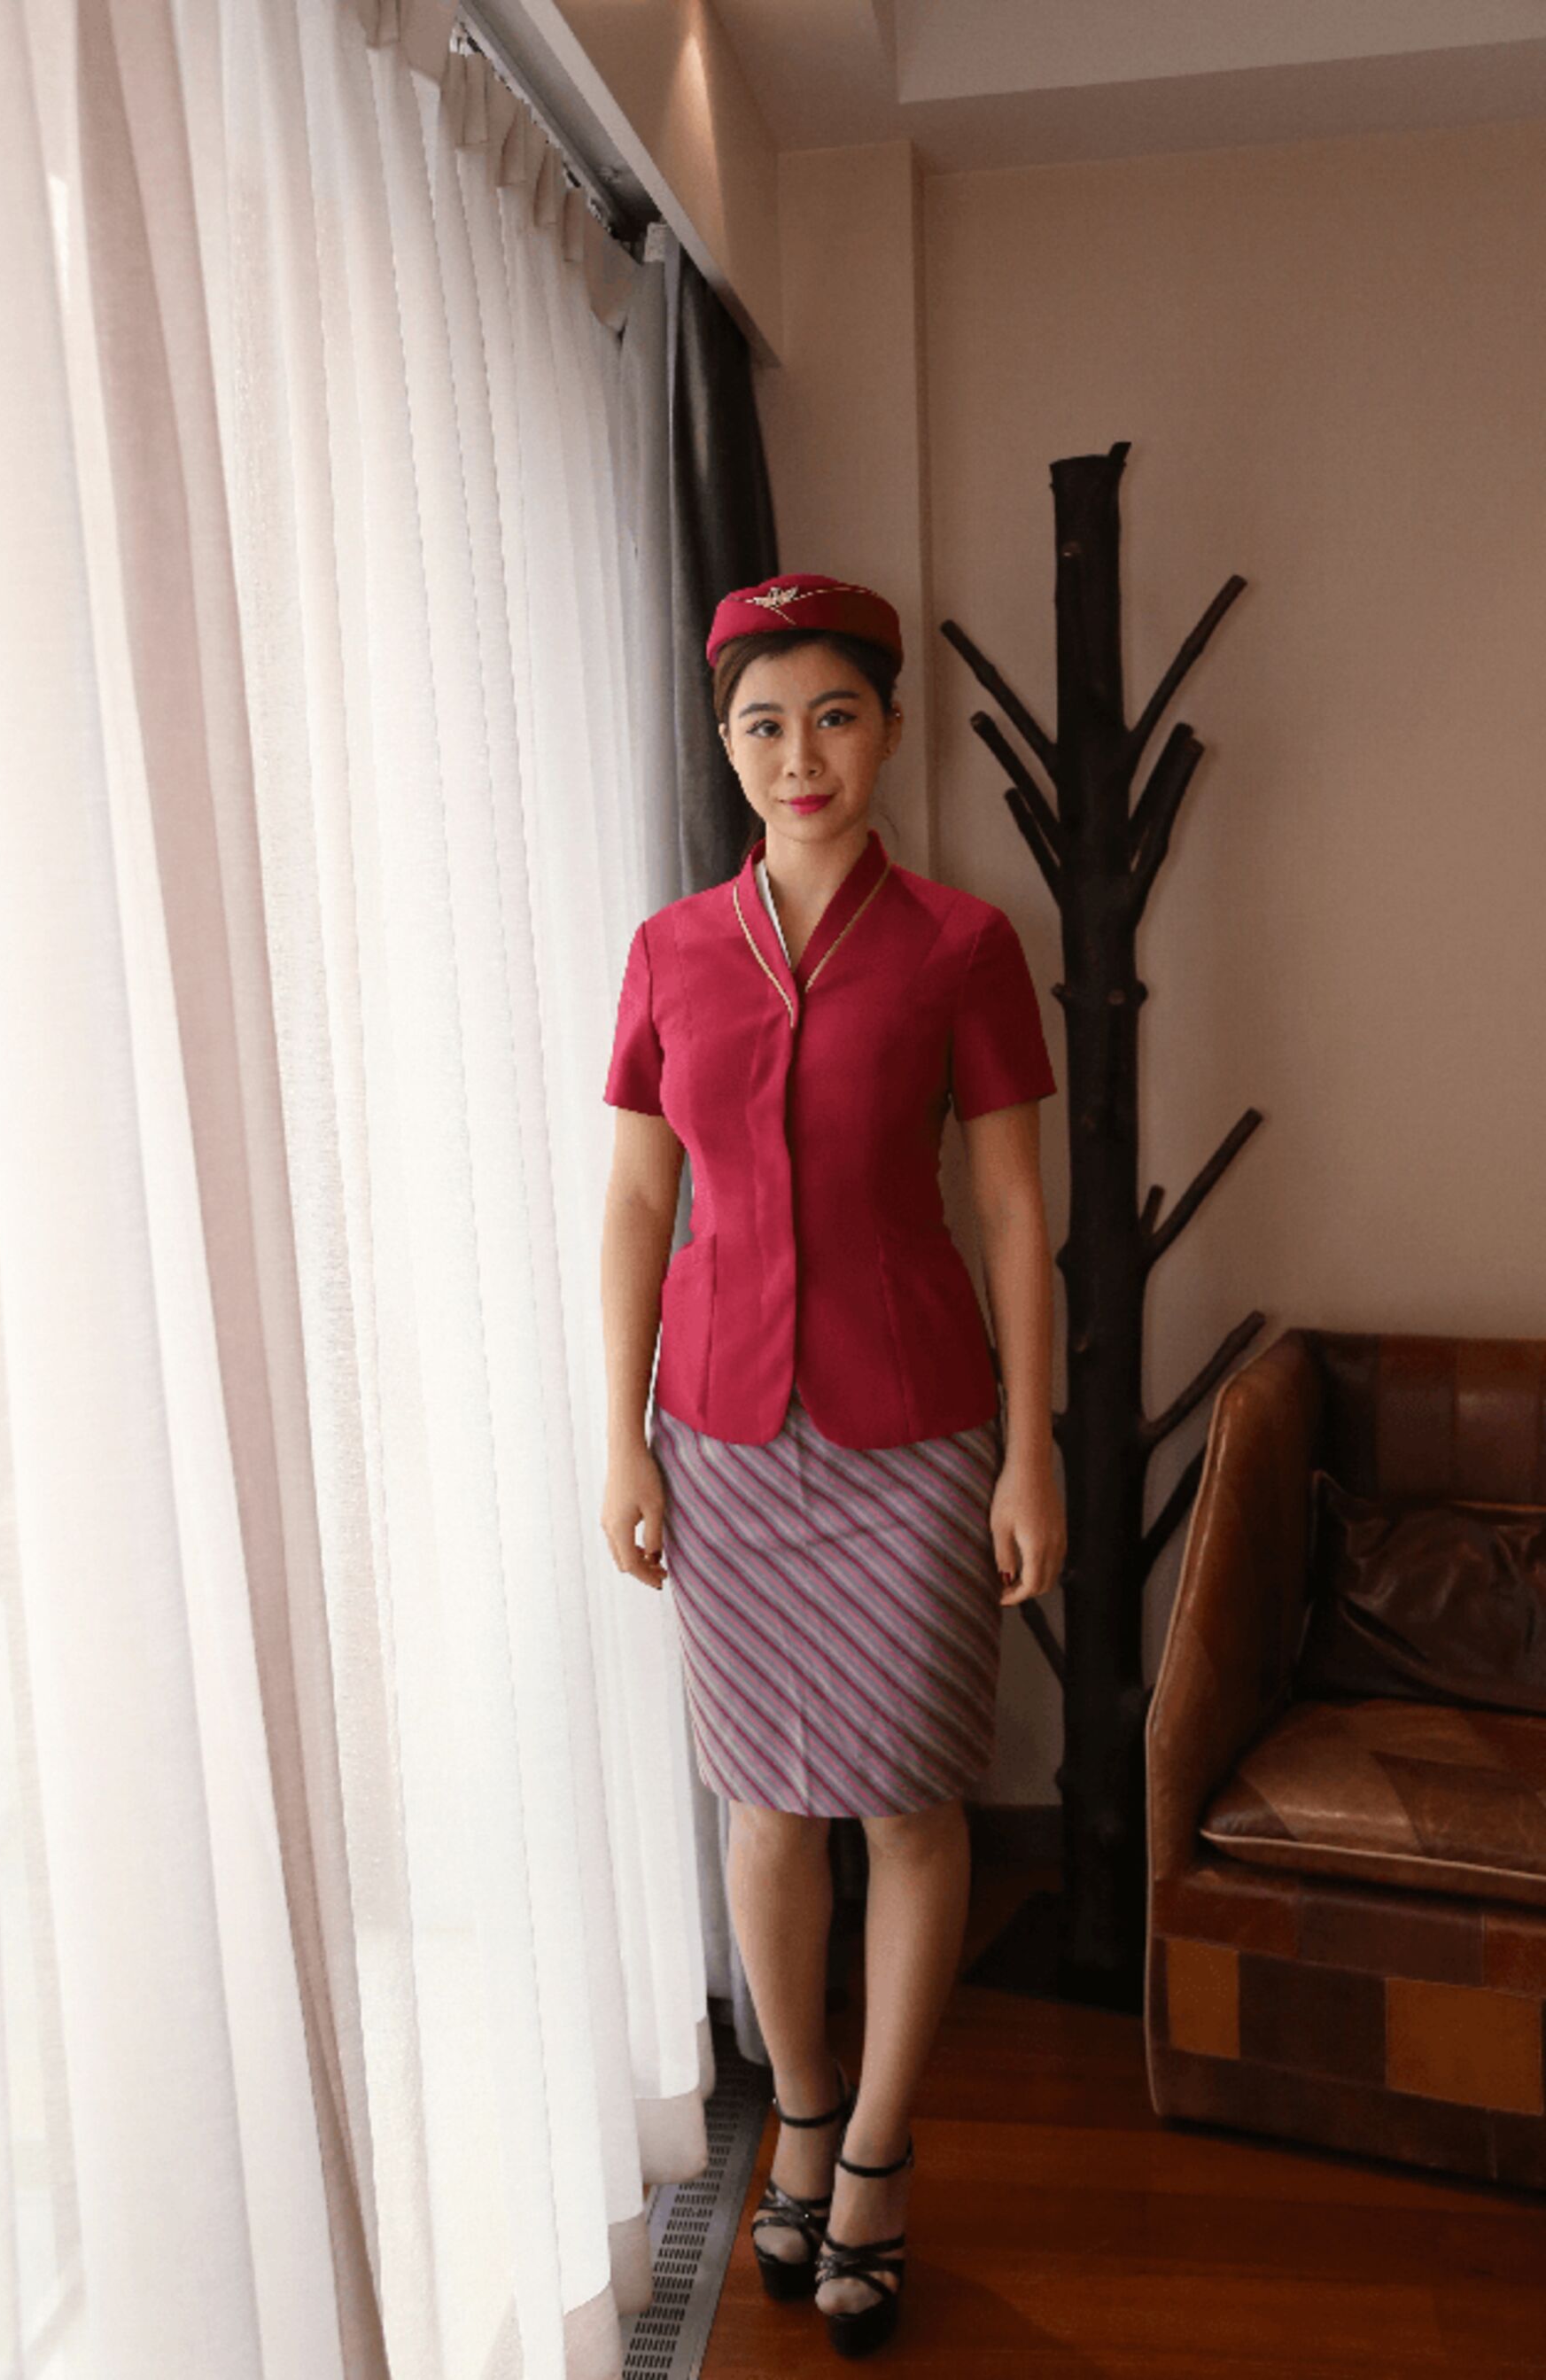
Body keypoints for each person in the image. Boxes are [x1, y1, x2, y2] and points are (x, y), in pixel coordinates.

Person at [598, 571, 1064, 2358]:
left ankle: (875, 2151)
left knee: (913, 1800)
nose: (801, 754)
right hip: (720, 1435)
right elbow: (638, 1201)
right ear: (727, 745)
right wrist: (620, 1431)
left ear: (887, 730)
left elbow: (1012, 1211)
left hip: (918, 1435)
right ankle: (798, 2106)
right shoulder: (669, 951)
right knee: (766, 1803)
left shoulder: (963, 943)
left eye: (835, 716)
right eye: (764, 724)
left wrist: (1029, 1453)